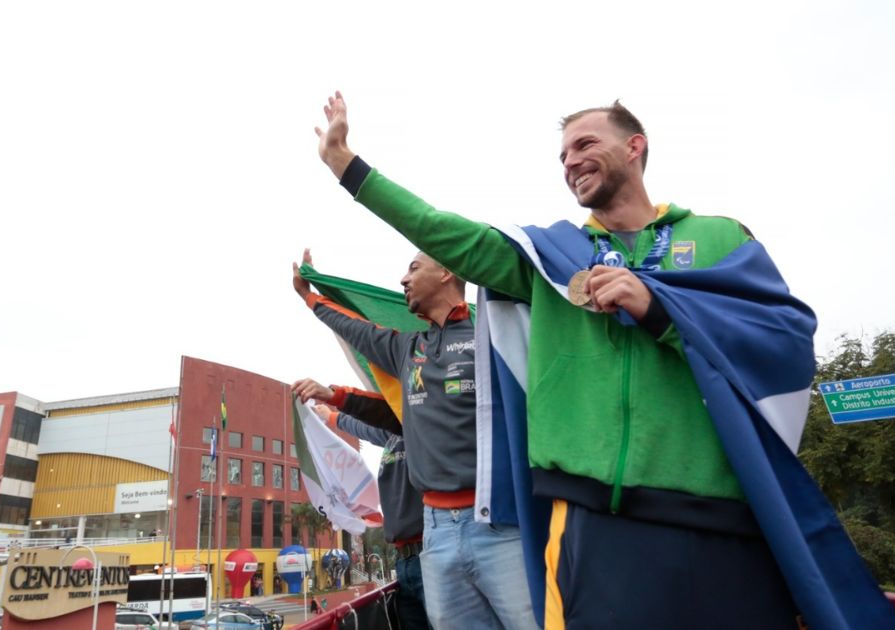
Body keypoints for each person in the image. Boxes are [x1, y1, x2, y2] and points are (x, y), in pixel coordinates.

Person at [311, 93, 808, 629]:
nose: (571, 161)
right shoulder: (548, 259)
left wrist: (663, 313)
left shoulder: (718, 238)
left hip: (713, 515)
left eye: (585, 144)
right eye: (563, 156)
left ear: (635, 147)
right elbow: (441, 230)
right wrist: (347, 167)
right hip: (587, 523)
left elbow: (783, 342)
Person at [292, 252, 538, 630]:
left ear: (446, 272)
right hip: (435, 533)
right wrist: (309, 297)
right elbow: (355, 329)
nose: (403, 280)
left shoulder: (493, 337)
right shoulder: (408, 348)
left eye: (414, 268)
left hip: (499, 523)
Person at [292, 377, 431, 630]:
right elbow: (365, 426)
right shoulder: (389, 434)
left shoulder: (421, 423)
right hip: (405, 562)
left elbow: (374, 412)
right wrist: (329, 417)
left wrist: (333, 399)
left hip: (429, 555)